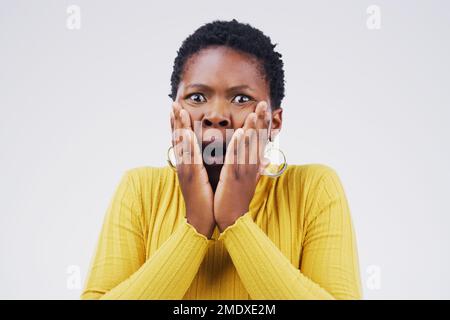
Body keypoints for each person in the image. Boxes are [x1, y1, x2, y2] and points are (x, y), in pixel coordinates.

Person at [81, 19, 362, 300]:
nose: (215, 114)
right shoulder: (140, 188)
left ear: (274, 122)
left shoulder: (315, 188)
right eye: (197, 96)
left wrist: (235, 219)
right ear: (175, 111)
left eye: (241, 98)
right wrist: (195, 224)